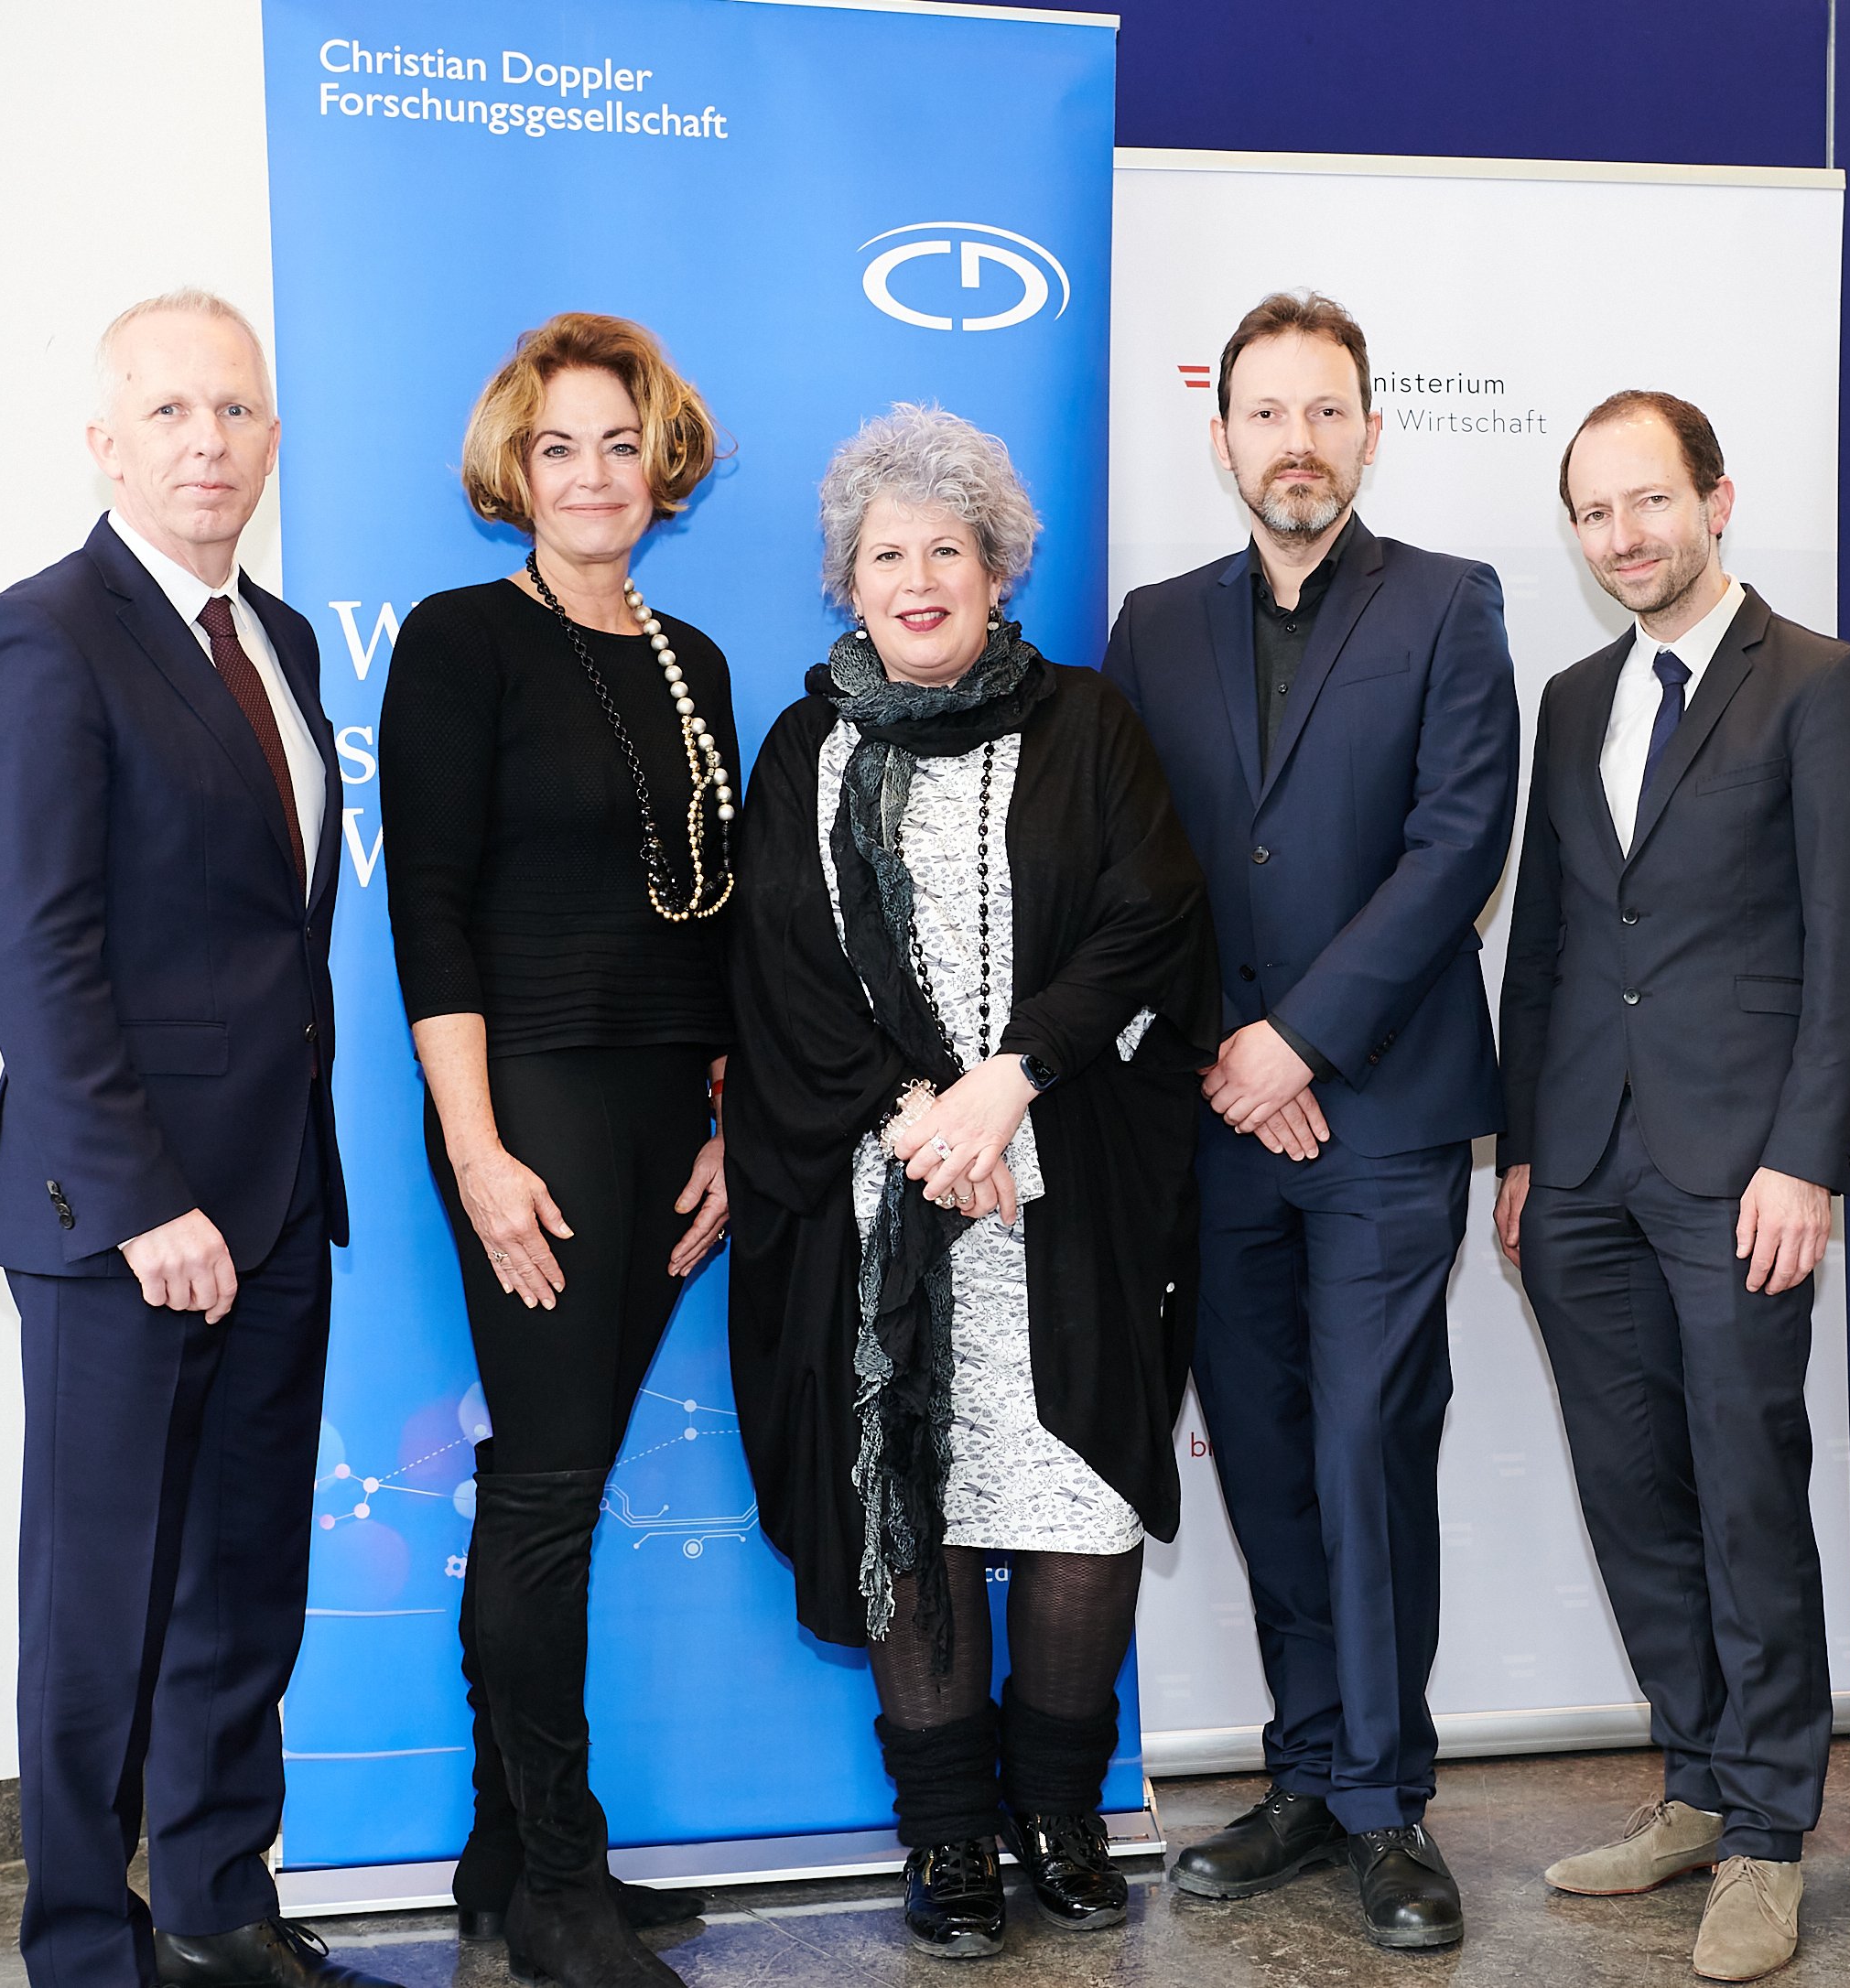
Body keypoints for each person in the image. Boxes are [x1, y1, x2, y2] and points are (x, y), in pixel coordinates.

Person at [724, 404, 1220, 1961]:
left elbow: (1151, 921)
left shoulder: (1088, 724)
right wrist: (921, 1123)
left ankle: (1060, 1813)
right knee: (910, 1494)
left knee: (1075, 1491)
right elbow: (781, 975)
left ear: (998, 572)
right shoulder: (805, 748)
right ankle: (946, 1832)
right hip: (883, 1194)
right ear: (849, 582)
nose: (918, 579)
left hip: (1065, 1182)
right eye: (888, 555)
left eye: (948, 549)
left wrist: (1011, 1085)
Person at [0, 290, 397, 1988]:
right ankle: (82, 1945)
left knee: (241, 1587)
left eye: (237, 411)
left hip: (276, 1200)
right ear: (104, 442)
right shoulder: (36, 638)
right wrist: (146, 1203)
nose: (209, 441)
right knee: (102, 1610)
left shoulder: (277, 637)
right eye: (170, 412)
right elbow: (35, 956)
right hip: (115, 1220)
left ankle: (215, 1908)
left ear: (273, 439)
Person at [1103, 291, 1518, 1952]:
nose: (1297, 441)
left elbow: (1456, 843)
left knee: (1364, 1446)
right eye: (1267, 413)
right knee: (1266, 1453)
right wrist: (1231, 1049)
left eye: (1325, 410)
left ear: (1368, 430)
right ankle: (1304, 1771)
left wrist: (1302, 1044)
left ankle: (1385, 1802)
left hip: (1385, 1113)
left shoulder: (1448, 601)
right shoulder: (1153, 626)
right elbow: (1129, 866)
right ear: (1222, 439)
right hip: (1214, 1115)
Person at [1498, 390, 1850, 1983]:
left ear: (1715, 501)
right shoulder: (1568, 699)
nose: (1624, 536)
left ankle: (1766, 1836)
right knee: (1631, 1493)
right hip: (1581, 1163)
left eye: (1649, 501)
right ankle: (1694, 1783)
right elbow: (1545, 945)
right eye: (1594, 512)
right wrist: (1523, 1151)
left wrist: (1806, 1156)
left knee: (1742, 1492)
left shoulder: (1819, 683)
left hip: (1740, 1170)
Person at [379, 312, 736, 1988]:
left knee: (555, 1482)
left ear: (661, 464)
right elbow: (428, 910)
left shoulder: (695, 661)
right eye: (557, 447)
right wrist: (475, 1149)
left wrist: (730, 1121)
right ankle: (561, 1888)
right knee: (543, 1488)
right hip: (529, 1103)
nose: (592, 476)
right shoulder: (462, 642)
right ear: (512, 472)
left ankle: (503, 1851)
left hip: (669, 1113)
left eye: (619, 444)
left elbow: (715, 924)